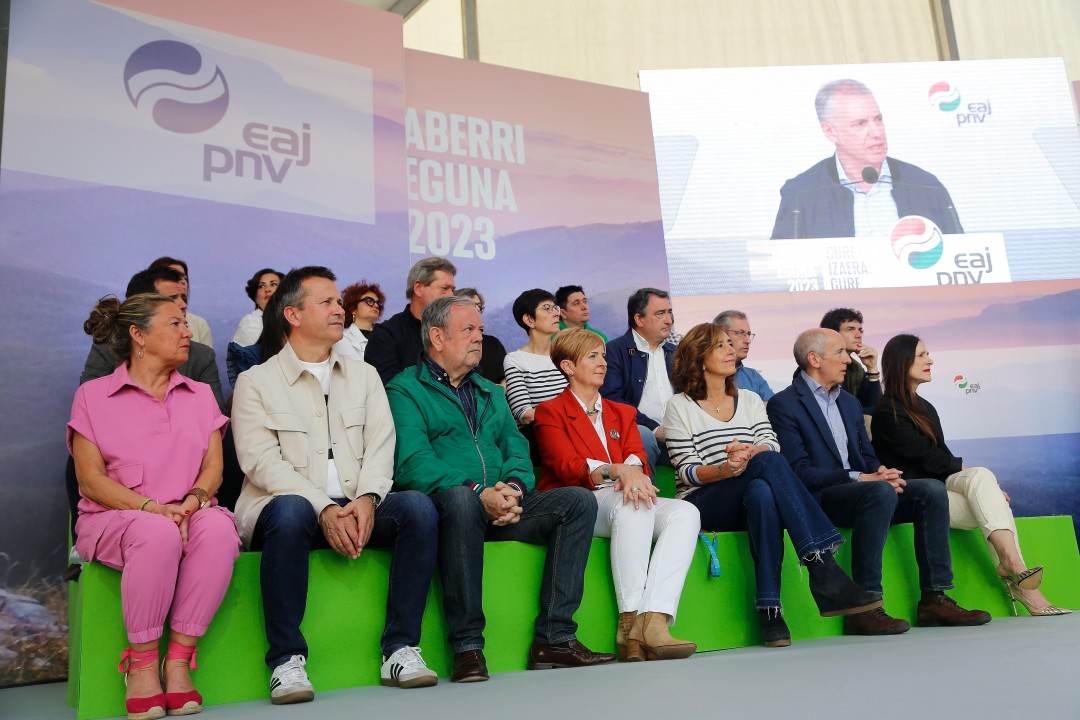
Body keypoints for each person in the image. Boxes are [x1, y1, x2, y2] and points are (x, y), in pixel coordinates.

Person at [232, 267, 439, 704]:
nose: (338, 309)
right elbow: (261, 462)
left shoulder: (364, 375)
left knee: (418, 509)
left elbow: (382, 445)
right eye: (325, 302)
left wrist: (367, 498)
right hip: (286, 509)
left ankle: (400, 649)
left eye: (338, 302)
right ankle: (286, 660)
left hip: (357, 503)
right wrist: (322, 506)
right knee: (291, 509)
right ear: (292, 314)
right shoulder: (256, 382)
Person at [387, 296, 615, 682]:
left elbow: (517, 449)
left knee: (577, 501)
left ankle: (555, 638)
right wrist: (480, 492)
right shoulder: (404, 389)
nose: (480, 338)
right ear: (438, 338)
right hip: (449, 505)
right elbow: (412, 462)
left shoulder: (490, 392)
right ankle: (467, 647)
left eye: (480, 329)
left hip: (502, 503)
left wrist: (512, 488)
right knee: (461, 500)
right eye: (468, 330)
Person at [68, 293, 238, 719]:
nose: (187, 333)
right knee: (156, 531)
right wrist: (152, 509)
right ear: (138, 335)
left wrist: (192, 503)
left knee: (219, 530)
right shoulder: (92, 396)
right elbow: (90, 480)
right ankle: (141, 664)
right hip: (116, 518)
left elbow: (213, 468)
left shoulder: (200, 394)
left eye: (186, 323)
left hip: (187, 511)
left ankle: (178, 661)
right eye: (175, 324)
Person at [664, 323, 881, 647]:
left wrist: (749, 454)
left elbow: (770, 444)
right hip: (704, 499)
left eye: (730, 344)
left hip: (749, 491)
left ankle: (770, 613)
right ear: (698, 357)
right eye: (721, 345)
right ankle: (821, 567)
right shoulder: (679, 406)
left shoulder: (750, 400)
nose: (731, 350)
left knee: (762, 492)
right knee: (766, 466)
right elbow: (687, 471)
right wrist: (727, 468)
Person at [767, 328, 992, 634]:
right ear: (814, 359)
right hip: (820, 499)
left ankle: (934, 599)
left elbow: (866, 456)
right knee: (878, 492)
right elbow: (798, 471)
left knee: (930, 490)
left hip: (863, 491)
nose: (848, 360)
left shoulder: (849, 403)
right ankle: (865, 607)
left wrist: (883, 472)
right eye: (840, 353)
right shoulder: (784, 404)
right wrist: (863, 478)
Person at [871, 334, 1070, 617]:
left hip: (942, 489)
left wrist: (988, 487)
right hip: (917, 497)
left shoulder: (925, 407)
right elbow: (929, 459)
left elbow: (942, 456)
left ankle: (1013, 566)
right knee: (990, 496)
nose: (930, 360)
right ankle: (1022, 583)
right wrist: (988, 490)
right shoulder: (886, 410)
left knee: (983, 479)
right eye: (922, 355)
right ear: (901, 362)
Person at [535, 329, 699, 660]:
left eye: (603, 356)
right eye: (592, 356)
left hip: (624, 493)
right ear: (568, 366)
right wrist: (616, 470)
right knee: (633, 505)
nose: (603, 363)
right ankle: (630, 622)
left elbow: (638, 457)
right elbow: (566, 466)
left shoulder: (622, 412)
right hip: (583, 499)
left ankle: (654, 619)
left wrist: (630, 473)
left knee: (685, 513)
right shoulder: (550, 411)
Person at [770, 79, 963, 240]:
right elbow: (782, 265)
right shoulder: (801, 193)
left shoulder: (926, 186)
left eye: (878, 119)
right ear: (830, 131)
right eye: (860, 123)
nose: (877, 132)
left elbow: (959, 254)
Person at [82, 266, 225, 412]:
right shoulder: (94, 385)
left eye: (183, 297)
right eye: (171, 298)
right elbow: (93, 409)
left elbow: (216, 417)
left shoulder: (202, 364)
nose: (183, 304)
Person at [601, 288, 677, 470]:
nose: (669, 320)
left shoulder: (676, 352)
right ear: (639, 319)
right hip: (637, 433)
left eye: (669, 312)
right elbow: (612, 399)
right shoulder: (614, 351)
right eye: (660, 314)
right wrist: (655, 429)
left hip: (678, 434)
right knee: (644, 437)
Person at [366, 257, 456, 384]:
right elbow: (393, 389)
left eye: (453, 289)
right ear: (418, 288)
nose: (451, 295)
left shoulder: (455, 333)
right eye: (444, 288)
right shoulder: (386, 335)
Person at [503, 289, 567, 462]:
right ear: (529, 319)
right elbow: (524, 414)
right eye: (547, 308)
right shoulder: (515, 360)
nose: (556, 313)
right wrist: (571, 415)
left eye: (555, 308)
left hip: (573, 429)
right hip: (540, 437)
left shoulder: (566, 355)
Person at [820, 307, 879, 414]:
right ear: (833, 333)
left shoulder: (855, 368)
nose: (859, 335)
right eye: (850, 329)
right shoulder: (819, 366)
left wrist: (872, 368)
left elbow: (875, 408)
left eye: (860, 330)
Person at [149, 256, 214, 346]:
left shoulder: (199, 324)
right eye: (174, 277)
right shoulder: (144, 323)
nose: (183, 282)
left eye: (185, 278)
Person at [712, 310, 773, 401]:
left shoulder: (753, 377)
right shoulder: (700, 376)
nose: (748, 341)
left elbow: (774, 406)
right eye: (740, 333)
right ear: (720, 334)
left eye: (748, 334)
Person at [455, 287, 507, 384]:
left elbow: (508, 375)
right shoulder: (451, 344)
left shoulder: (493, 343)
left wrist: (501, 387)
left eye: (479, 306)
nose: (476, 309)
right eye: (470, 305)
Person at [333, 280, 385, 362]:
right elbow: (357, 367)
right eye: (369, 301)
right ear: (353, 308)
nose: (376, 305)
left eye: (378, 303)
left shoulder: (385, 339)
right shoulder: (341, 338)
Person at [232, 268, 283, 346]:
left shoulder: (296, 318)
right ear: (255, 298)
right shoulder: (250, 323)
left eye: (273, 284)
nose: (267, 289)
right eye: (261, 286)